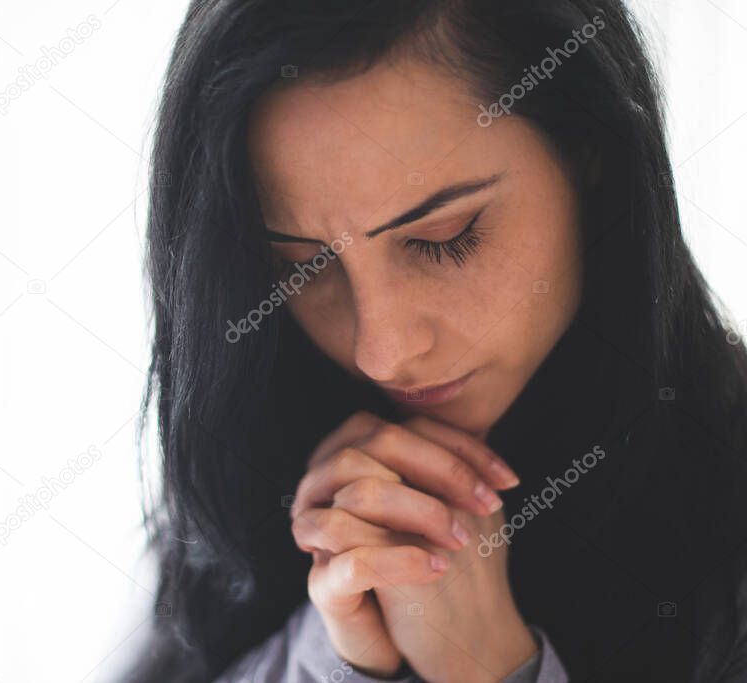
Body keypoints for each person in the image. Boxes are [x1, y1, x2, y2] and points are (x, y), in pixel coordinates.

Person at [119, 1, 747, 681]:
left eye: (443, 238)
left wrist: (488, 668)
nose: (380, 351)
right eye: (303, 267)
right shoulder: (236, 518)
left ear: (588, 148)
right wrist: (336, 662)